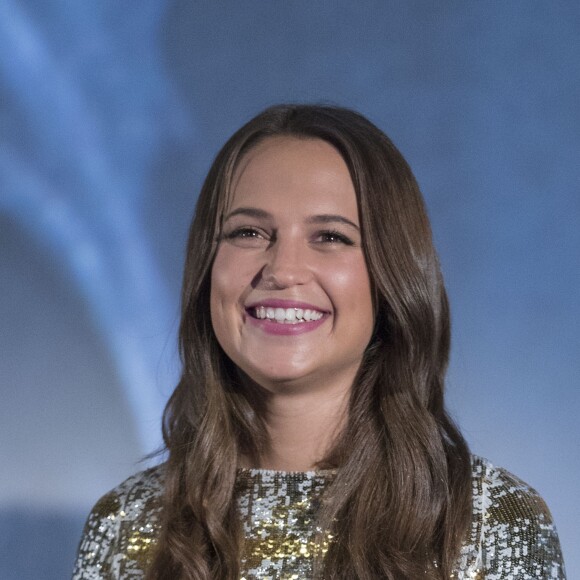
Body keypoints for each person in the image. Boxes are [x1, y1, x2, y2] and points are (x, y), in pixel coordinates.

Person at [72, 104, 565, 579]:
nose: (283, 270)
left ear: (392, 276)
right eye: (248, 232)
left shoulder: (488, 523)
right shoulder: (126, 525)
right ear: (206, 268)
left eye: (330, 237)